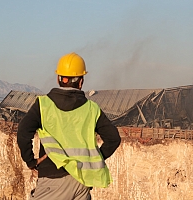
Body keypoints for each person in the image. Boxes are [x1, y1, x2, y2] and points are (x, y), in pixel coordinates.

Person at [17, 52, 121, 200]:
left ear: (59, 79)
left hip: (52, 180)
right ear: (81, 81)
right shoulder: (92, 108)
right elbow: (113, 139)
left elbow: (23, 131)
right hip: (81, 182)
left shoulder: (43, 105)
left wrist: (30, 161)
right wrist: (94, 160)